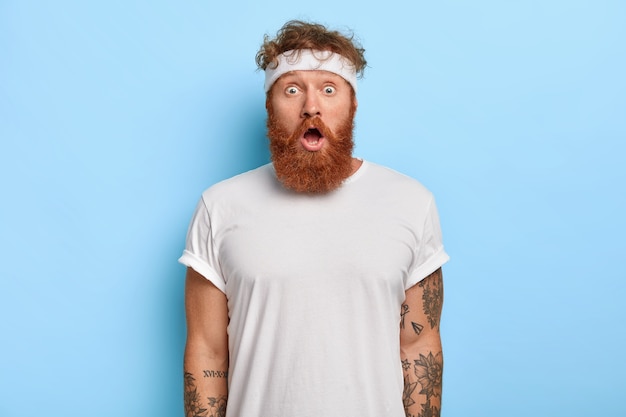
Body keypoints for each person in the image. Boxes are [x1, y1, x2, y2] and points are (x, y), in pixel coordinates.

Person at [179, 20, 449, 417]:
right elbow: (207, 351)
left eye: (328, 88)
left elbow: (420, 346)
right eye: (292, 89)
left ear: (352, 103)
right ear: (270, 106)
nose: (311, 106)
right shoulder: (219, 206)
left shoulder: (411, 202)